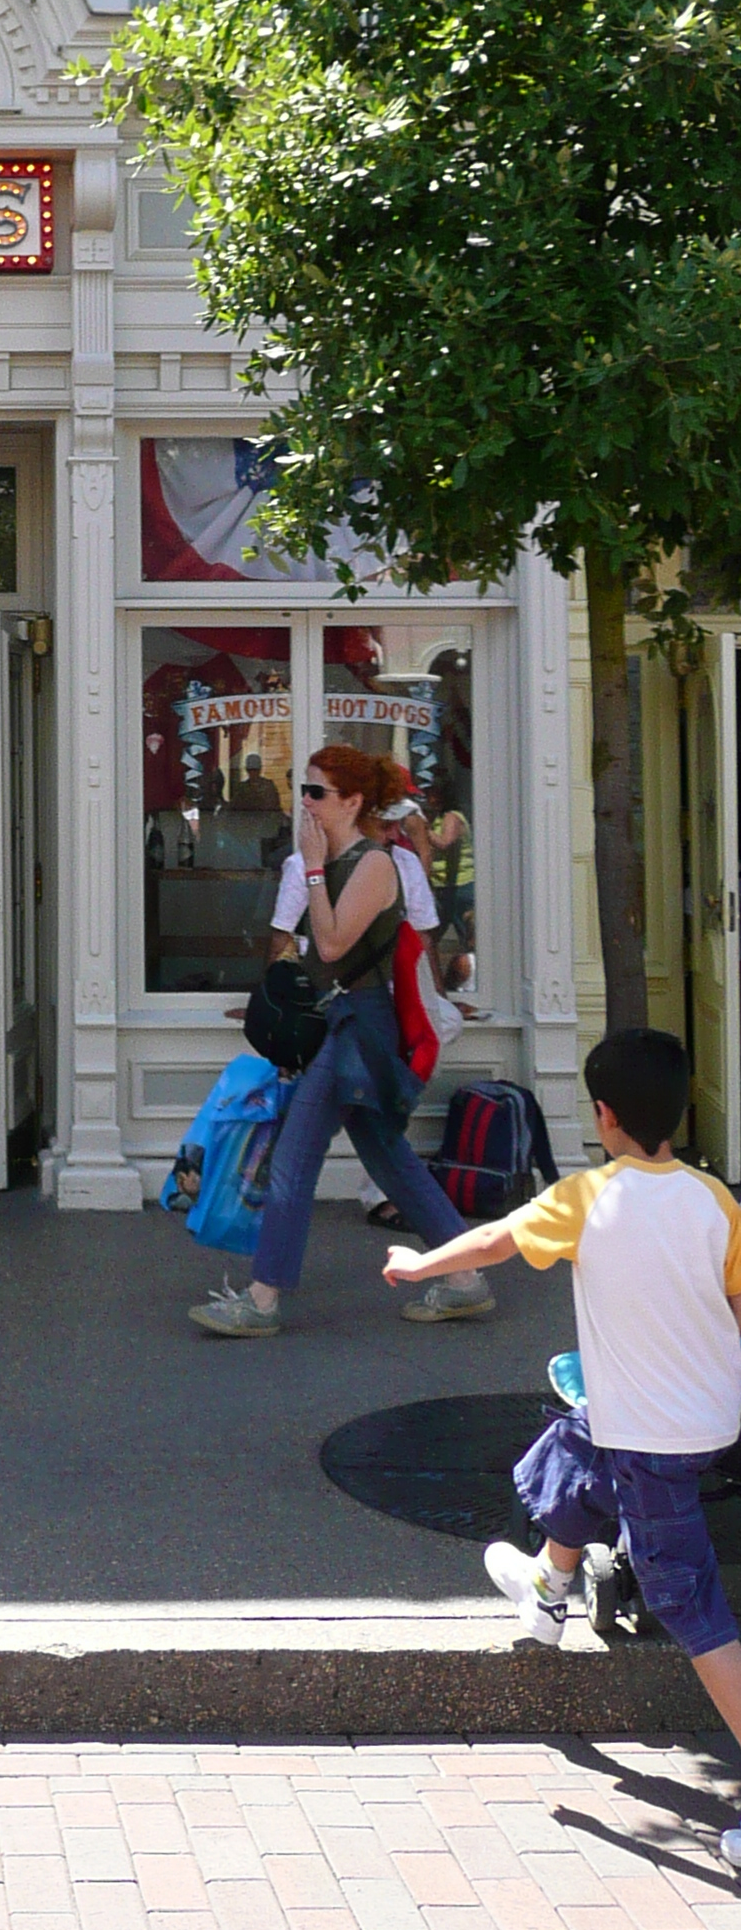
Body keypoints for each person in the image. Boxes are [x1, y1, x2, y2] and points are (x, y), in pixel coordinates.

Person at [391, 1028, 741, 1845]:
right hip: (702, 1421)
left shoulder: (588, 1198)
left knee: (690, 1603)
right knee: (577, 1446)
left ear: (603, 1116)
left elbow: (494, 1241)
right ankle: (549, 1591)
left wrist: (417, 1265)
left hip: (651, 1438)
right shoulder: (716, 1200)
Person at [192, 744, 488, 1339]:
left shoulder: (375, 863)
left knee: (297, 1156)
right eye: (304, 789)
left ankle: (263, 1298)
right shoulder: (339, 857)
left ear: (353, 801)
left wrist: (314, 869)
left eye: (318, 792)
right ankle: (465, 1279)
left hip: (363, 1026)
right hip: (350, 1023)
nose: (305, 801)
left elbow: (330, 944)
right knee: (388, 1157)